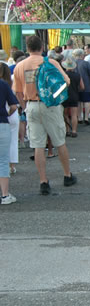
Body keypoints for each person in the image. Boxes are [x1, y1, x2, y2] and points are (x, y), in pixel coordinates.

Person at [12, 35, 77, 195]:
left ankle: (43, 181)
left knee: (38, 145)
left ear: (27, 49)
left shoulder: (20, 66)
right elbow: (66, 81)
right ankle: (67, 175)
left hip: (32, 105)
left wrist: (25, 107)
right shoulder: (51, 63)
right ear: (42, 47)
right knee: (59, 141)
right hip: (51, 106)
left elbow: (18, 91)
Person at [0, 65, 19, 204]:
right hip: (2, 123)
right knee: (2, 160)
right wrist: (6, 115)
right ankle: (5, 195)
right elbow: (13, 106)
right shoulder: (3, 84)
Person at [74, 48, 90, 125]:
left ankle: (80, 117)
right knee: (87, 101)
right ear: (82, 55)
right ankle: (86, 118)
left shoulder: (73, 63)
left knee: (79, 102)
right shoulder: (86, 63)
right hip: (86, 84)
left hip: (76, 86)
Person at [61, 58, 84, 137]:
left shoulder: (63, 75)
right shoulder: (77, 75)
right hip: (74, 95)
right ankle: (74, 131)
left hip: (65, 96)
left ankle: (67, 130)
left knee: (65, 114)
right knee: (74, 115)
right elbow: (82, 87)